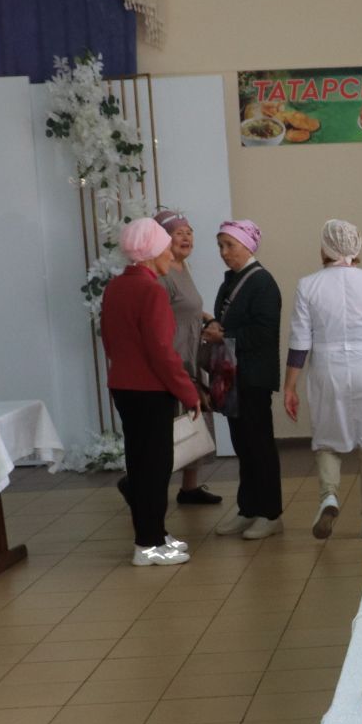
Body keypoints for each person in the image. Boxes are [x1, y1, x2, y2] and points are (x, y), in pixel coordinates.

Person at [285, 219, 362, 540]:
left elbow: (300, 341)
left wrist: (290, 386)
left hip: (327, 369)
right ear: (358, 248)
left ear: (324, 249)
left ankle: (329, 496)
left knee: (328, 441)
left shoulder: (308, 285)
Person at [102, 217, 202, 567]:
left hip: (124, 387)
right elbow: (162, 350)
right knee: (155, 467)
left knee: (141, 463)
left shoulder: (116, 287)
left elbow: (110, 340)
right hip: (150, 389)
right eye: (165, 246)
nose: (170, 252)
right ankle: (147, 544)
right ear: (150, 252)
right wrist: (189, 393)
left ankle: (155, 534)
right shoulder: (151, 290)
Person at [206, 219, 285, 539]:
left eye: (230, 245)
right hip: (232, 375)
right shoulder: (232, 280)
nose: (224, 253)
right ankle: (248, 508)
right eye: (220, 246)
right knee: (243, 445)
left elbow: (265, 333)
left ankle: (270, 512)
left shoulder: (262, 282)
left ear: (248, 246)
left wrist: (222, 335)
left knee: (259, 445)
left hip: (253, 376)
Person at [155, 209, 221, 506]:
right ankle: (150, 488)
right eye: (177, 232)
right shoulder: (162, 274)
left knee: (195, 419)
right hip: (175, 357)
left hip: (193, 353)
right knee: (173, 425)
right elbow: (160, 319)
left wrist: (206, 319)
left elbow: (188, 307)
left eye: (189, 231)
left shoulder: (184, 268)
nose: (186, 236)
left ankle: (190, 487)